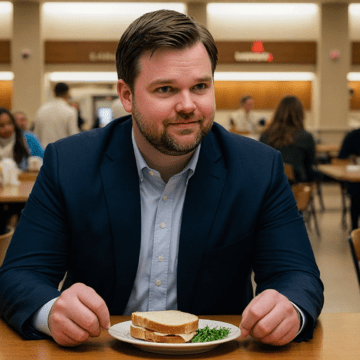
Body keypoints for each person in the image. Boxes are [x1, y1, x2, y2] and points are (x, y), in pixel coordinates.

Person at [0, 10, 323, 348]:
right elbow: (19, 276)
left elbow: (298, 276)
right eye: (166, 89)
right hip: (102, 353)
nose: (188, 105)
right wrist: (51, 310)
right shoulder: (70, 164)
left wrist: (290, 308)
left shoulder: (257, 168)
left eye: (200, 86)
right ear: (127, 96)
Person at [260, 95, 316, 183]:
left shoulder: (265, 136)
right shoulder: (305, 137)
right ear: (300, 114)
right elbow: (309, 167)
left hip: (270, 191)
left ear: (278, 113)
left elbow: (261, 166)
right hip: (296, 191)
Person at [33, 82, 79, 148]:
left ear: (54, 93)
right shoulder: (70, 111)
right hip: (62, 151)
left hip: (44, 152)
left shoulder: (41, 110)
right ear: (67, 93)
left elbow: (36, 135)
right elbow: (73, 136)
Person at [338, 128, 360, 230]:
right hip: (354, 177)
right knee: (357, 192)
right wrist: (353, 159)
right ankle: (354, 229)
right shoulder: (353, 136)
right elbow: (341, 158)